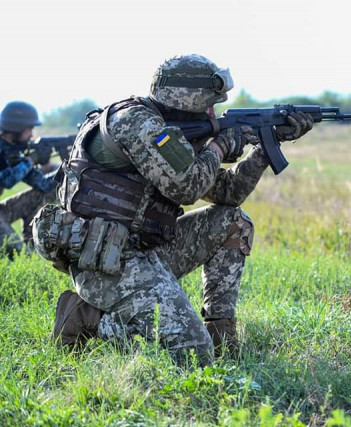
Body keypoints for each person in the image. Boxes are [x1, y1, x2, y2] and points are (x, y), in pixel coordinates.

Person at [33, 54, 313, 366]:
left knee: (232, 222)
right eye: (209, 102)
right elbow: (187, 187)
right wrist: (219, 146)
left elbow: (227, 193)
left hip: (147, 250)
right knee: (192, 352)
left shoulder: (169, 131)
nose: (213, 110)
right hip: (108, 262)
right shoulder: (136, 123)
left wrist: (265, 145)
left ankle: (222, 341)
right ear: (188, 98)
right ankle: (86, 318)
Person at [0, 101, 57, 255]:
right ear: (16, 128)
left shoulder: (13, 152)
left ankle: (32, 243)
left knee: (39, 196)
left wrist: (65, 168)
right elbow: (5, 180)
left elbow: (44, 185)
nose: (32, 135)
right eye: (29, 129)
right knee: (21, 256)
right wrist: (30, 161)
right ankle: (26, 256)